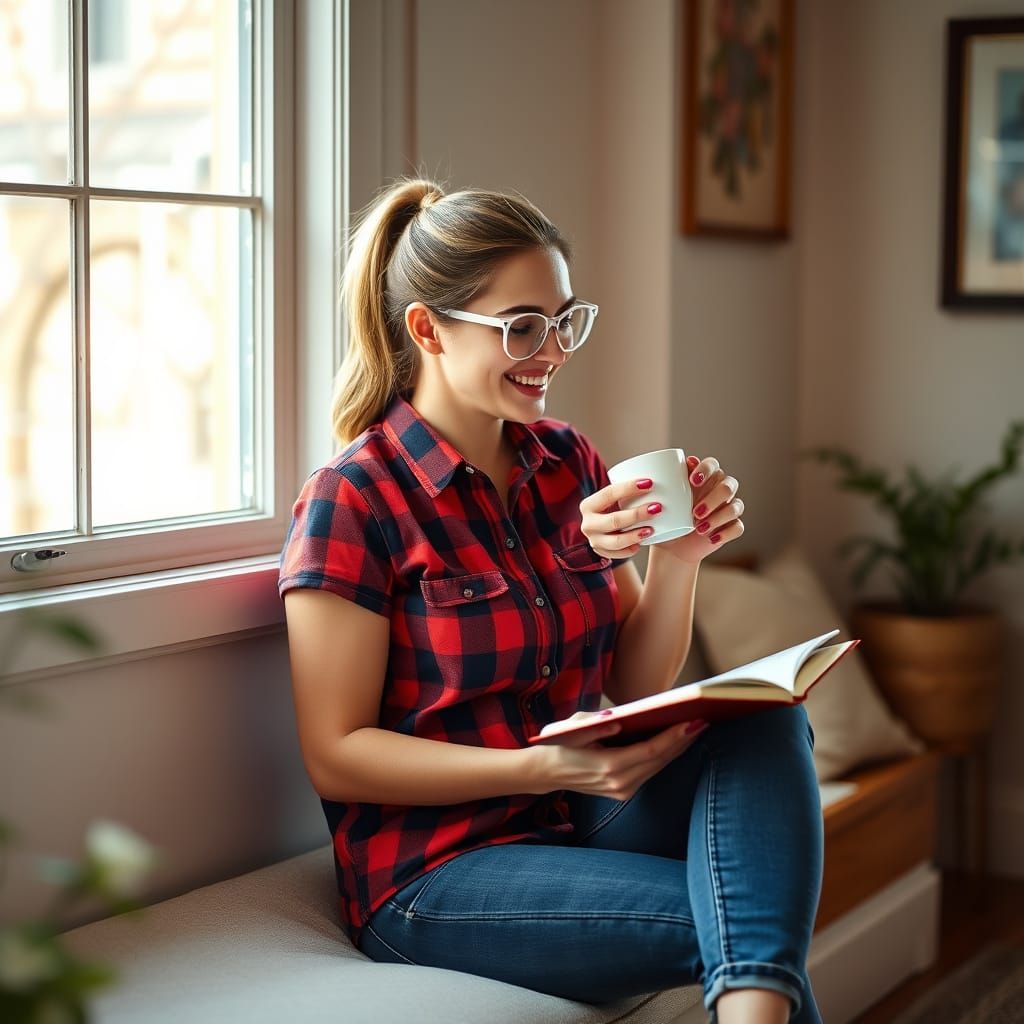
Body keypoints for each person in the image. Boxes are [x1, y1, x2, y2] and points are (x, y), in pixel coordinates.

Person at [277, 177, 824, 1024]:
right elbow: (338, 753)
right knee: (754, 913)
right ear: (428, 329)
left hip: (574, 814)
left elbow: (636, 683)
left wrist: (679, 558)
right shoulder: (354, 499)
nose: (555, 349)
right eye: (522, 327)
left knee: (765, 716)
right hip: (434, 872)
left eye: (566, 320)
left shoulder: (567, 461)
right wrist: (540, 765)